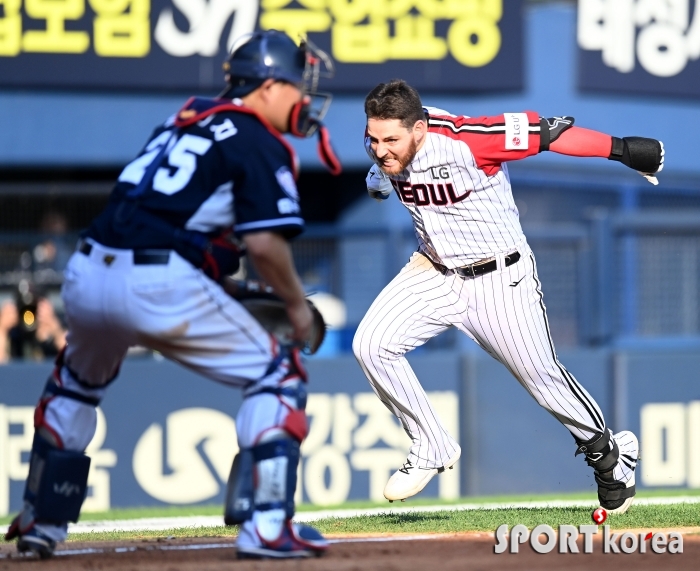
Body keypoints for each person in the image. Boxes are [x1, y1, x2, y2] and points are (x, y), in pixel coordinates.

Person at [4, 30, 340, 560]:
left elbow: (168, 218)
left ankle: (41, 521)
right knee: (279, 372)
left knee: (74, 385)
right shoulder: (256, 137)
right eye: (296, 84)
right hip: (157, 281)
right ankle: (267, 525)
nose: (304, 97)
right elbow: (265, 244)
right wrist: (296, 303)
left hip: (89, 272)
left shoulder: (185, 118)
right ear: (270, 86)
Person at [353, 79, 663, 512]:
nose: (381, 147)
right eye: (373, 138)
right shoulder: (384, 148)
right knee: (371, 344)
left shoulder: (468, 140)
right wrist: (380, 173)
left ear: (419, 129)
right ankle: (431, 446)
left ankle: (610, 456)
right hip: (435, 271)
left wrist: (623, 150)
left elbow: (550, 133)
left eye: (391, 139)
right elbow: (382, 172)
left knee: (544, 382)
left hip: (500, 277)